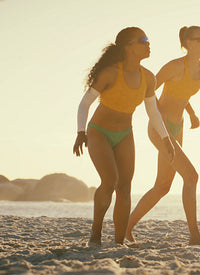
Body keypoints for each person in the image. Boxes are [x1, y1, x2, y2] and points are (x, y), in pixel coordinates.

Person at [73, 27, 175, 246]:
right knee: (109, 181)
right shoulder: (110, 72)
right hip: (99, 132)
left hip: (125, 134)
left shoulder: (148, 77)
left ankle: (119, 242)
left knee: (125, 187)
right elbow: (85, 103)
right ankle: (96, 233)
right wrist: (81, 132)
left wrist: (166, 139)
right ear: (128, 46)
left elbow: (153, 111)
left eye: (148, 40)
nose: (148, 44)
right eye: (143, 40)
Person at [126, 26, 200, 245]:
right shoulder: (174, 66)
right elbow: (149, 88)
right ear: (187, 43)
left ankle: (126, 227)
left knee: (162, 186)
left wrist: (192, 114)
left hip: (178, 127)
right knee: (191, 176)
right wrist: (158, 117)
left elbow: (184, 93)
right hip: (159, 128)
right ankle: (195, 237)